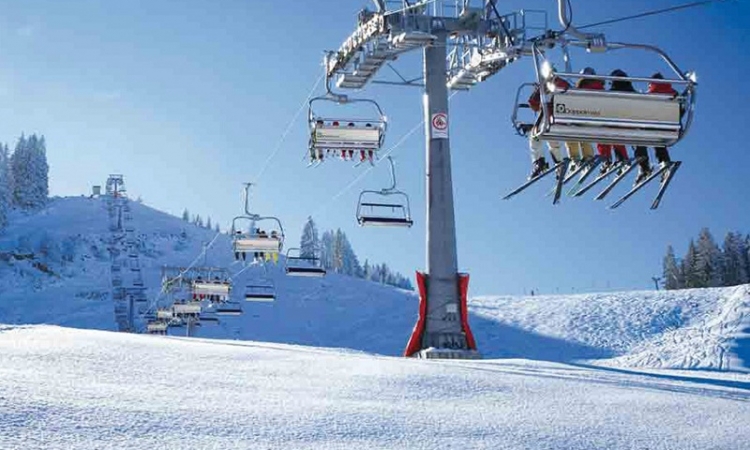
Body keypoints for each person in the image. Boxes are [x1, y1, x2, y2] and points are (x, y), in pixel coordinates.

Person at [608, 69, 651, 183]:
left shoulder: (611, 93)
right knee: (638, 137)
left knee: (613, 133)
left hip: (620, 126)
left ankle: (621, 158)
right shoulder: (634, 93)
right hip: (634, 126)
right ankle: (644, 165)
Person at [527, 72, 570, 179]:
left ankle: (541, 162)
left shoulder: (549, 88)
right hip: (557, 122)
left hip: (550, 122)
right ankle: (558, 164)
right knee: (552, 142)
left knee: (535, 137)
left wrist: (540, 89)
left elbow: (533, 103)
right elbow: (533, 103)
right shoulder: (559, 86)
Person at [596, 69, 634, 173]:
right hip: (633, 124)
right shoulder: (633, 92)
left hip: (617, 125)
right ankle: (621, 158)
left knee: (604, 131)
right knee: (614, 132)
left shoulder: (611, 93)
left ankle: (606, 158)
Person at [565, 67, 600, 170]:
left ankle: (574, 158)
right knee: (582, 132)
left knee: (571, 130)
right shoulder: (600, 87)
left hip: (584, 118)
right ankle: (588, 157)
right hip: (598, 119)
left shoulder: (580, 89)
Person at [646, 72, 676, 169]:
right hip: (672, 126)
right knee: (659, 139)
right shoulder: (674, 93)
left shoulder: (651, 93)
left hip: (656, 125)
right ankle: (664, 161)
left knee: (654, 137)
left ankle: (646, 164)